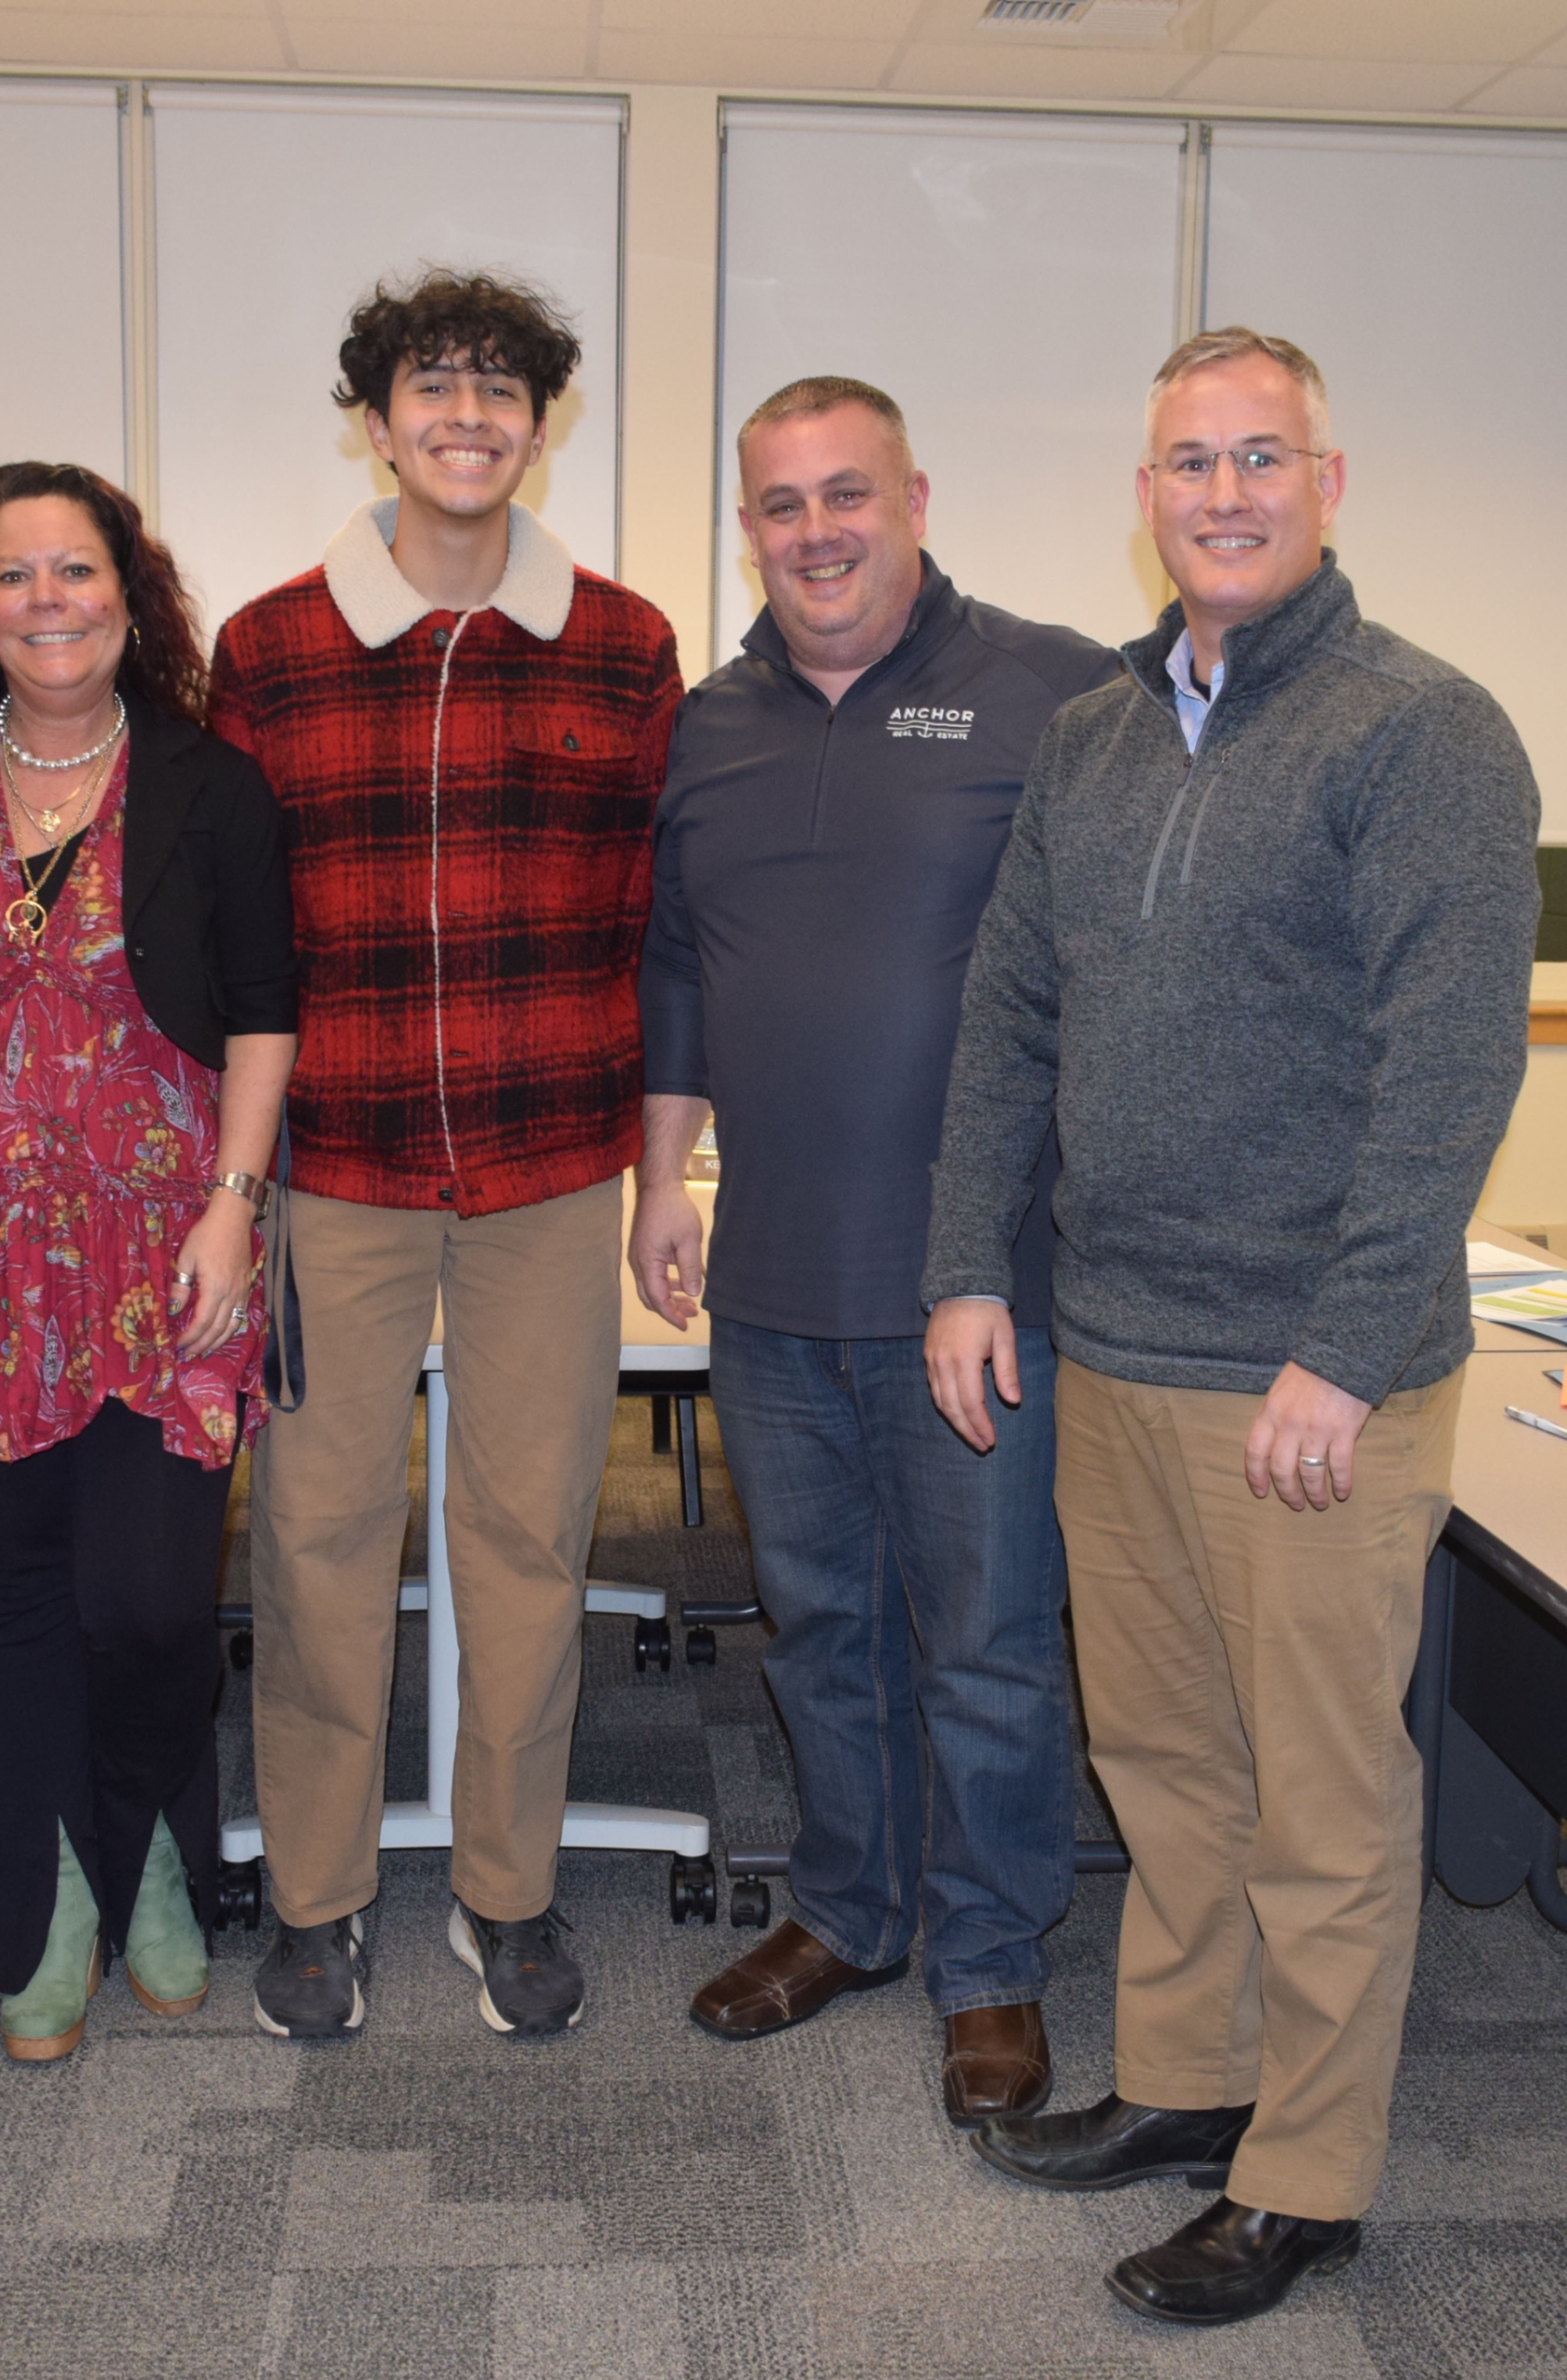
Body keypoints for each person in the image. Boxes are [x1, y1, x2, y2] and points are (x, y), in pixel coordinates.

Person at [922, 329, 1539, 2324]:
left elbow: (1447, 1066)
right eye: (1188, 461)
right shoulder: (1095, 736)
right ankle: (1190, 2081)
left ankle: (1307, 2171)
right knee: (1167, 1759)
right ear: (1147, 492)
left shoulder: (1418, 731)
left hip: (1306, 1379)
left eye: (1258, 455)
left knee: (1319, 1795)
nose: (1222, 492)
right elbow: (1010, 1015)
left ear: (1327, 479)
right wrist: (959, 1263)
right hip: (1111, 1343)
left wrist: (1347, 1345)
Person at [629, 377, 1113, 2125]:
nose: (815, 531)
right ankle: (849, 1907)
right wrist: (660, 1177)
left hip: (975, 1286)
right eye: (778, 503)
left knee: (983, 1638)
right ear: (743, 523)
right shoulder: (708, 723)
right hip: (768, 1276)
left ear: (912, 495)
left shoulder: (1055, 687)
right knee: (819, 1624)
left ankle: (989, 1955)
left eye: (847, 493)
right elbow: (676, 960)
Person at [213, 269, 681, 2041]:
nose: (467, 415)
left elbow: (660, 930)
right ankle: (318, 1901)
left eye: (503, 387)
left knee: (524, 1540)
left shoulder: (627, 647)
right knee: (315, 1536)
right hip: (333, 1167)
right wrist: (229, 1184)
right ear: (376, 414)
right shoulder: (267, 648)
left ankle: (509, 1889)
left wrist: (658, 1179)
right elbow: (230, 937)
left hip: (550, 1168)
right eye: (432, 384)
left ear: (540, 422)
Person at [0, 462, 297, 2062]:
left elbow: (263, 1012)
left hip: (159, 1247)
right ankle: (41, 1906)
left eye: (76, 568)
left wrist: (236, 1203)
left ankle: (154, 1843)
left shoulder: (209, 785)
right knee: (15, 1594)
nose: (47, 599)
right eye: (12, 574)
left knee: (152, 1595)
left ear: (129, 588)